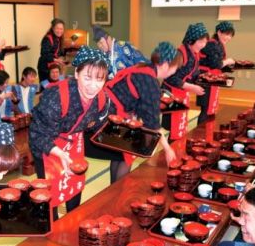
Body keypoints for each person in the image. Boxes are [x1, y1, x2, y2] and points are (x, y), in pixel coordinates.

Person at [85, 41, 180, 183]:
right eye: (175, 68)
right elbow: (153, 124)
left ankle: (114, 190)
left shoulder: (144, 66)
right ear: (166, 65)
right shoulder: (150, 81)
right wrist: (167, 149)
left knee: (119, 155)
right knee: (126, 153)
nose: (175, 72)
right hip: (110, 113)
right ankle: (118, 192)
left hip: (105, 106)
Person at [29, 46, 110, 213]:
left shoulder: (102, 99)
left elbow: (95, 125)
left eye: (99, 79)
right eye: (87, 78)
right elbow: (36, 134)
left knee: (73, 187)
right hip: (47, 145)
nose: (93, 86)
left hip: (73, 143)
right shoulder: (57, 97)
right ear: (77, 74)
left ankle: (73, 220)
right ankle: (52, 229)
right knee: (50, 196)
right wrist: (59, 153)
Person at [162, 23, 207, 141]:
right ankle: (171, 154)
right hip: (171, 93)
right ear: (191, 40)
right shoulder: (180, 55)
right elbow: (170, 78)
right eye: (200, 42)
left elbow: (195, 73)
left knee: (180, 126)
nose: (203, 45)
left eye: (205, 42)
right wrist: (191, 87)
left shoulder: (194, 53)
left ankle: (177, 150)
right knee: (174, 128)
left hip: (182, 92)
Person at [197, 21, 236, 124]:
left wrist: (229, 66)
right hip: (205, 79)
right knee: (205, 109)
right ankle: (199, 135)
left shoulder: (218, 44)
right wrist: (227, 61)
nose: (229, 38)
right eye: (226, 34)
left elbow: (216, 64)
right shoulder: (212, 44)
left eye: (231, 35)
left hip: (211, 78)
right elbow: (216, 64)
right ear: (219, 32)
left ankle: (206, 133)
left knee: (208, 109)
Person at [37, 18, 65, 82]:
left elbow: (60, 52)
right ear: (52, 28)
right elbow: (44, 54)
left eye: (61, 29)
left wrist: (64, 59)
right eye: (57, 28)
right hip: (45, 68)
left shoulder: (59, 39)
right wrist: (56, 60)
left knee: (56, 87)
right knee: (45, 88)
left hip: (54, 67)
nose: (59, 31)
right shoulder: (47, 39)